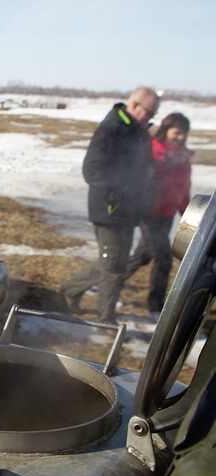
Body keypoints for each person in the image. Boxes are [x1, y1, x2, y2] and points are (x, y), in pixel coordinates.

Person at [59, 86, 160, 323]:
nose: (151, 118)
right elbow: (91, 169)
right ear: (135, 106)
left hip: (129, 208)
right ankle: (106, 319)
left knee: (116, 262)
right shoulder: (112, 129)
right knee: (114, 267)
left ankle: (69, 289)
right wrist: (114, 194)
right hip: (110, 209)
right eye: (150, 112)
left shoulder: (139, 131)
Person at [124, 113, 193, 316]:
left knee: (143, 255)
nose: (180, 137)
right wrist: (171, 161)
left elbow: (183, 188)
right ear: (166, 130)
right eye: (176, 132)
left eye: (184, 133)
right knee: (164, 258)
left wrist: (188, 215)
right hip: (149, 212)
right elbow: (146, 175)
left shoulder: (183, 157)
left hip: (167, 214)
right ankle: (155, 307)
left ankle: (108, 281)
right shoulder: (153, 148)